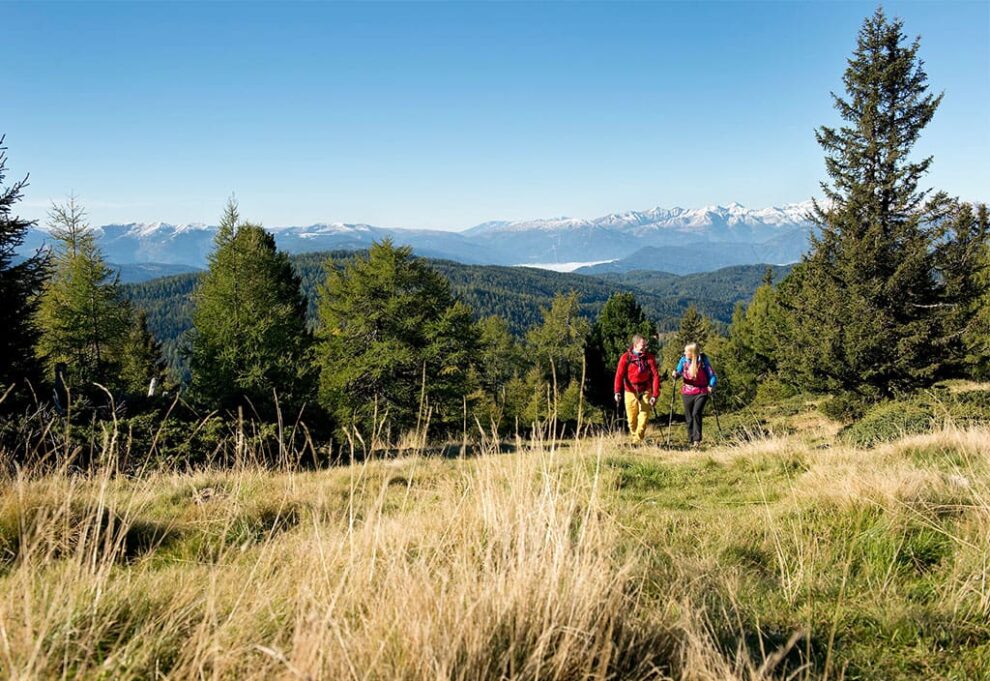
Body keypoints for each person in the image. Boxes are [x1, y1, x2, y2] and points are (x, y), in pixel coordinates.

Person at [613, 334, 661, 444]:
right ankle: (636, 438)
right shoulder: (626, 357)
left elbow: (655, 376)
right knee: (631, 420)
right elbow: (619, 375)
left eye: (645, 346)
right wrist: (617, 391)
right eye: (642, 346)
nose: (645, 348)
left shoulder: (649, 358)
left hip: (645, 389)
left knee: (644, 416)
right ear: (635, 345)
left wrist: (655, 395)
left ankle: (637, 441)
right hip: (630, 390)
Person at [671, 343, 717, 447]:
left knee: (696, 413)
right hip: (687, 392)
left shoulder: (703, 361)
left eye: (686, 351)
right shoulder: (683, 360)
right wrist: (675, 374)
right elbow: (678, 371)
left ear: (692, 353)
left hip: (702, 391)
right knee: (689, 417)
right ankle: (691, 439)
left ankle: (697, 440)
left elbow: (712, 375)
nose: (684, 353)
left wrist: (711, 385)